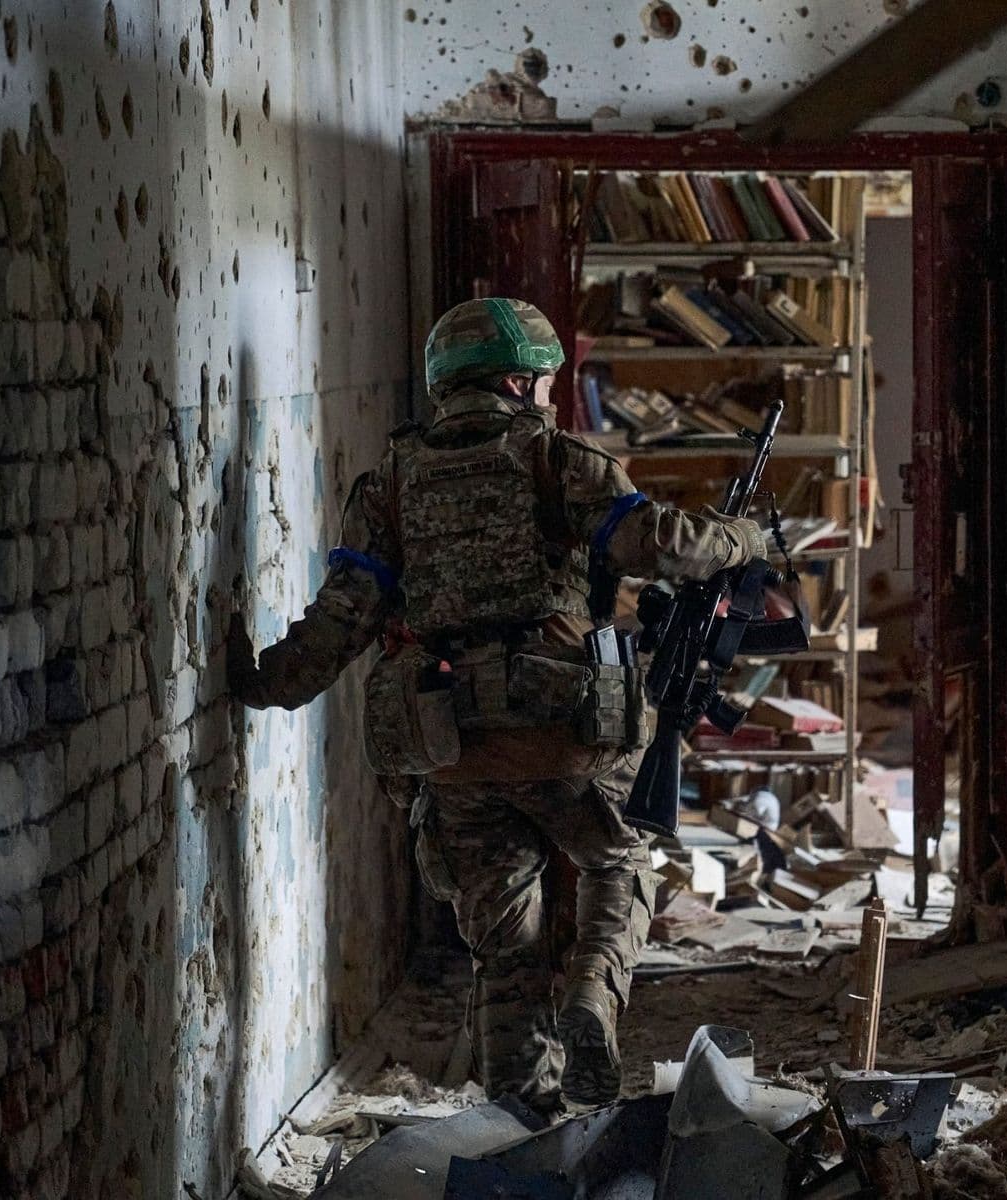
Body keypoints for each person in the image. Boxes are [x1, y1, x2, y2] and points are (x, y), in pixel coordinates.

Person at [225, 297, 767, 1113]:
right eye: (544, 384)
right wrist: (743, 537)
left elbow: (339, 625)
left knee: (503, 952)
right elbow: (657, 546)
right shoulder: (561, 462)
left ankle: (524, 1129)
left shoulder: (390, 485)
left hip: (450, 745)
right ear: (519, 382)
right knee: (617, 861)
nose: (547, 398)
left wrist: (257, 682)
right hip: (564, 733)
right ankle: (592, 996)